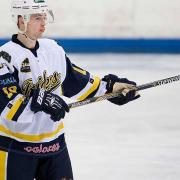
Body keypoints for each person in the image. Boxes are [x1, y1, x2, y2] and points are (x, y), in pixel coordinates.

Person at [0, 0, 140, 179]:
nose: (43, 23)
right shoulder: (5, 57)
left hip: (54, 146)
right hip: (16, 148)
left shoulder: (53, 49)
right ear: (20, 21)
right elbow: (5, 104)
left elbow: (75, 81)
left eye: (44, 17)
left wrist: (110, 89)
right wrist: (41, 99)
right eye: (37, 18)